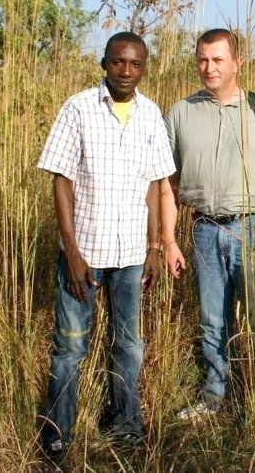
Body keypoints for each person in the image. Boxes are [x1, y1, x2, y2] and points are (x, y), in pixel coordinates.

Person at [36, 31, 183, 464]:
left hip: (131, 256)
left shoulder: (151, 114)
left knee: (129, 343)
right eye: (118, 62)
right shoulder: (79, 107)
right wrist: (72, 250)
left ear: (144, 68)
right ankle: (58, 437)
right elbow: (61, 181)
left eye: (135, 64)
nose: (126, 71)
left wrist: (155, 246)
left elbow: (157, 186)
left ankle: (126, 426)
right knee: (70, 347)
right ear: (104, 63)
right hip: (86, 252)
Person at [163, 28, 255, 421]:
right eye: (203, 59)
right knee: (211, 321)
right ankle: (213, 398)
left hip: (254, 229)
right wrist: (167, 240)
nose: (209, 67)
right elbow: (167, 184)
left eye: (218, 59)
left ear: (237, 62)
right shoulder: (181, 112)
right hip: (203, 229)